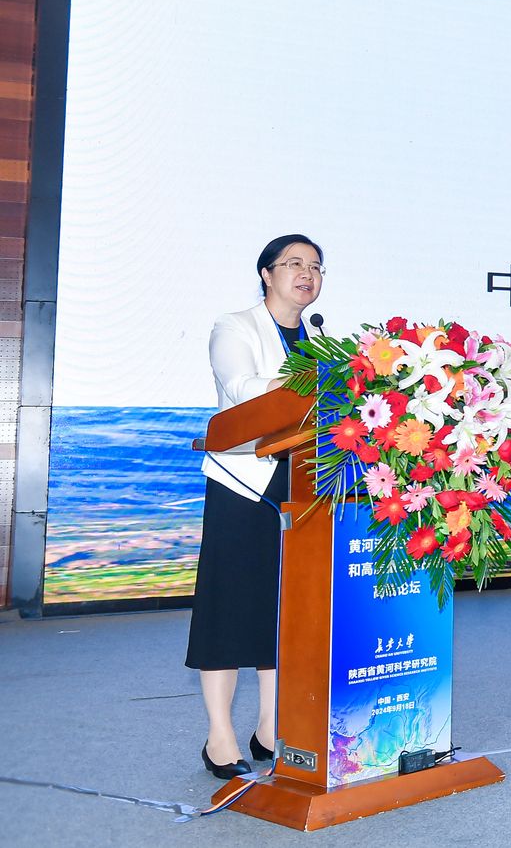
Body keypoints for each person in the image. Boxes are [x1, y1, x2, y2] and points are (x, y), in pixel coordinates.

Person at [185, 235, 325, 779]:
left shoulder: (320, 338)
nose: (307, 274)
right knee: (228, 610)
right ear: (267, 273)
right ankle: (219, 735)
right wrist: (317, 381)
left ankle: (270, 728)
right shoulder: (235, 326)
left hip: (303, 486)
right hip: (243, 484)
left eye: (315, 267)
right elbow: (242, 389)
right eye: (294, 264)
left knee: (284, 610)